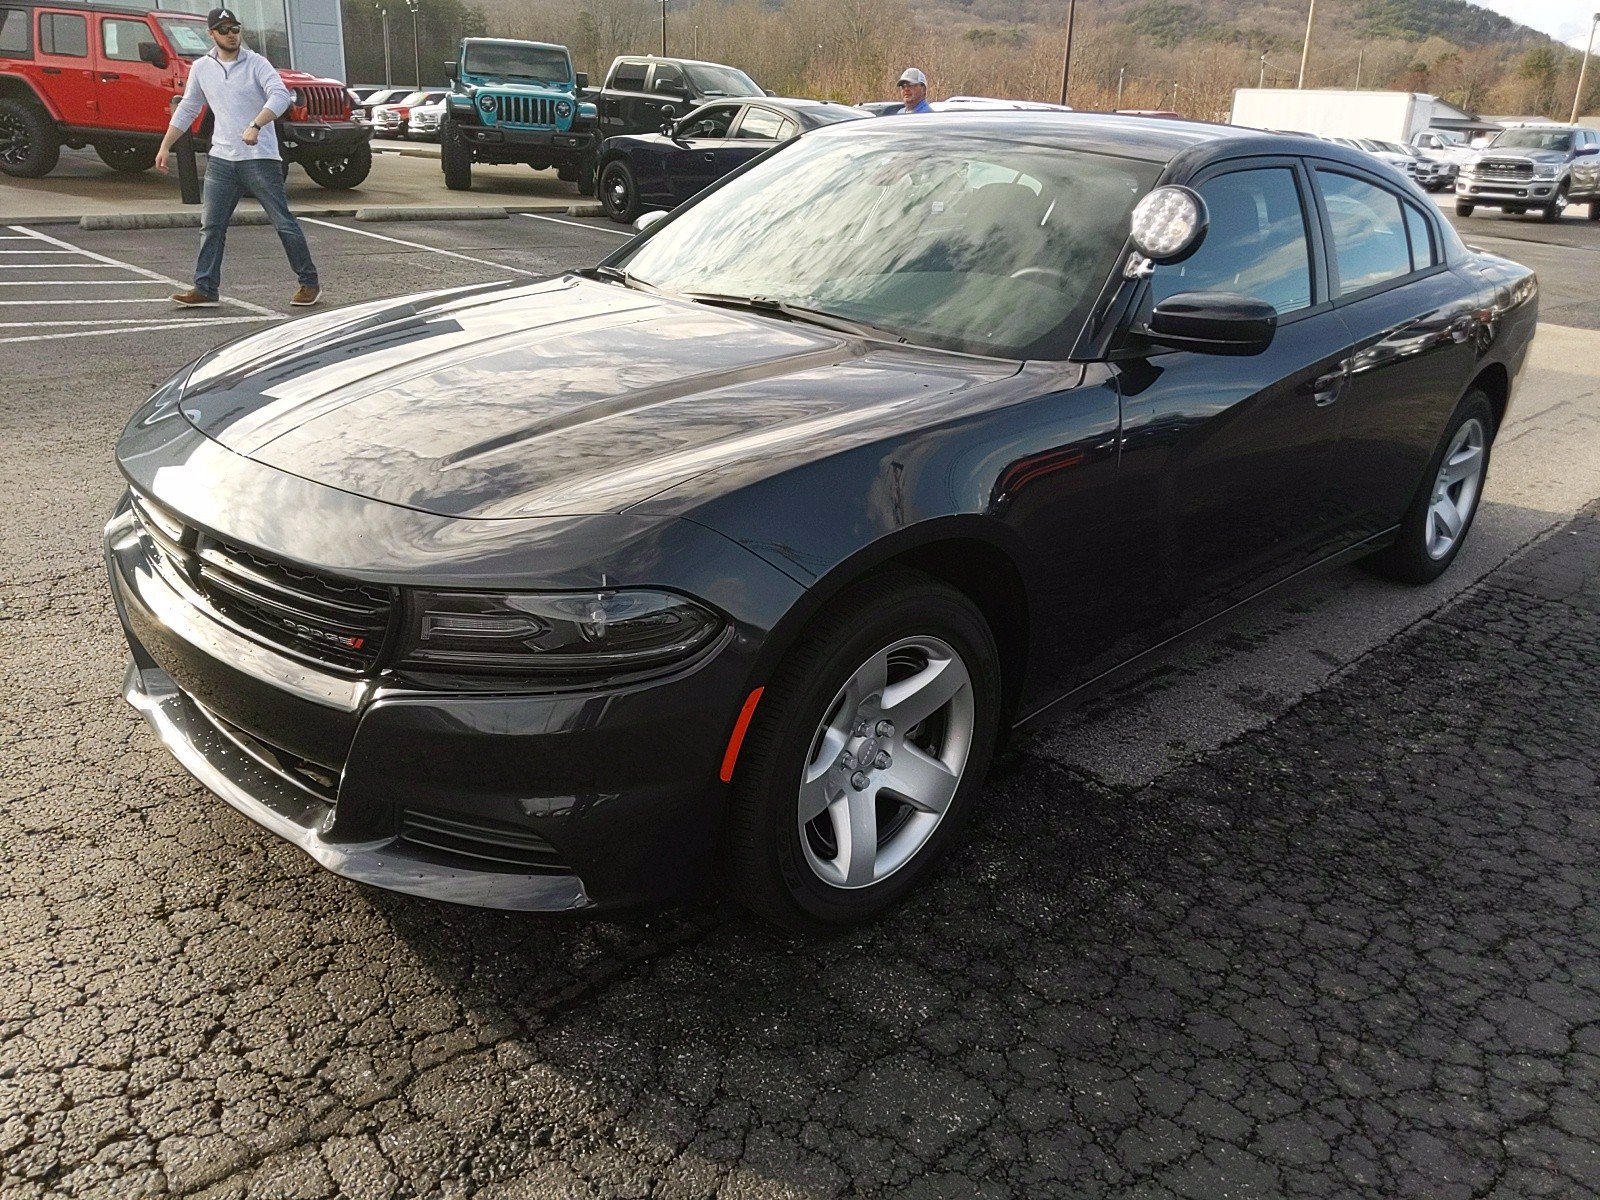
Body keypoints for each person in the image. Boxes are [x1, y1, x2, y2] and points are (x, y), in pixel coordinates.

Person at [156, 8, 320, 308]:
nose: (231, 34)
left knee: (282, 221)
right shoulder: (202, 67)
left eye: (235, 28)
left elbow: (280, 96)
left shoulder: (257, 63)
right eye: (224, 29)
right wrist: (166, 145)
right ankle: (205, 288)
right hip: (221, 159)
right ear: (212, 34)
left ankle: (309, 282)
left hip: (260, 158)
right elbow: (189, 107)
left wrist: (256, 124)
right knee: (212, 226)